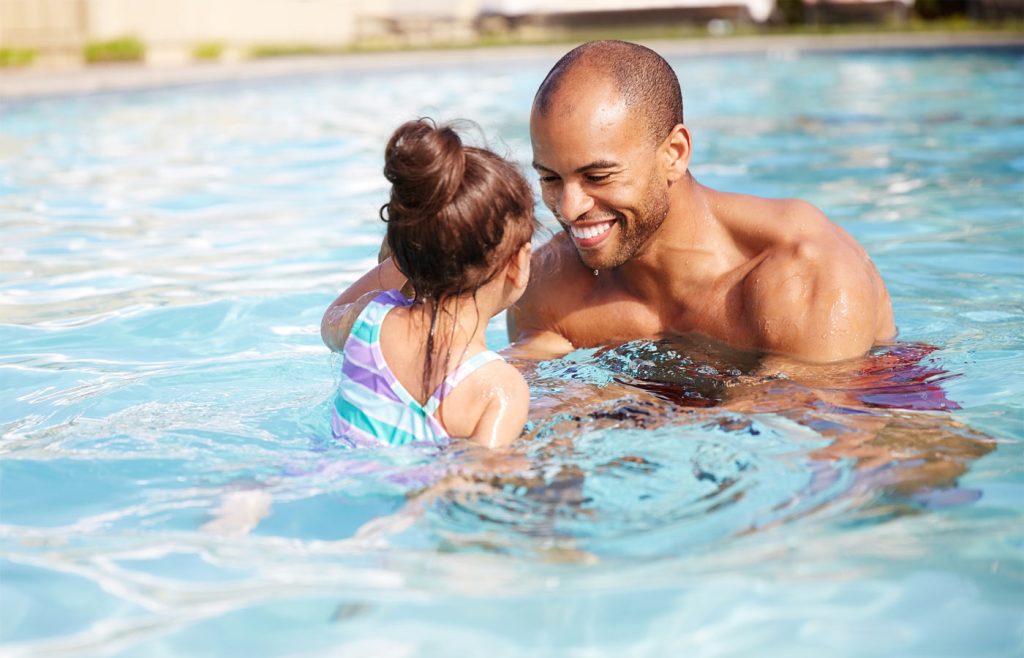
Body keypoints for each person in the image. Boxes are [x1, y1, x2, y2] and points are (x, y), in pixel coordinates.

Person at [508, 40, 896, 364]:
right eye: (550, 178)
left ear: (674, 154)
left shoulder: (803, 274)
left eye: (598, 177)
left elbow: (808, 435)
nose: (569, 208)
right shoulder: (548, 288)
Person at [321, 119, 537, 448]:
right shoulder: (500, 389)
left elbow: (329, 322)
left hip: (324, 471)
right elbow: (477, 478)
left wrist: (408, 256)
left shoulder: (370, 320)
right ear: (519, 263)